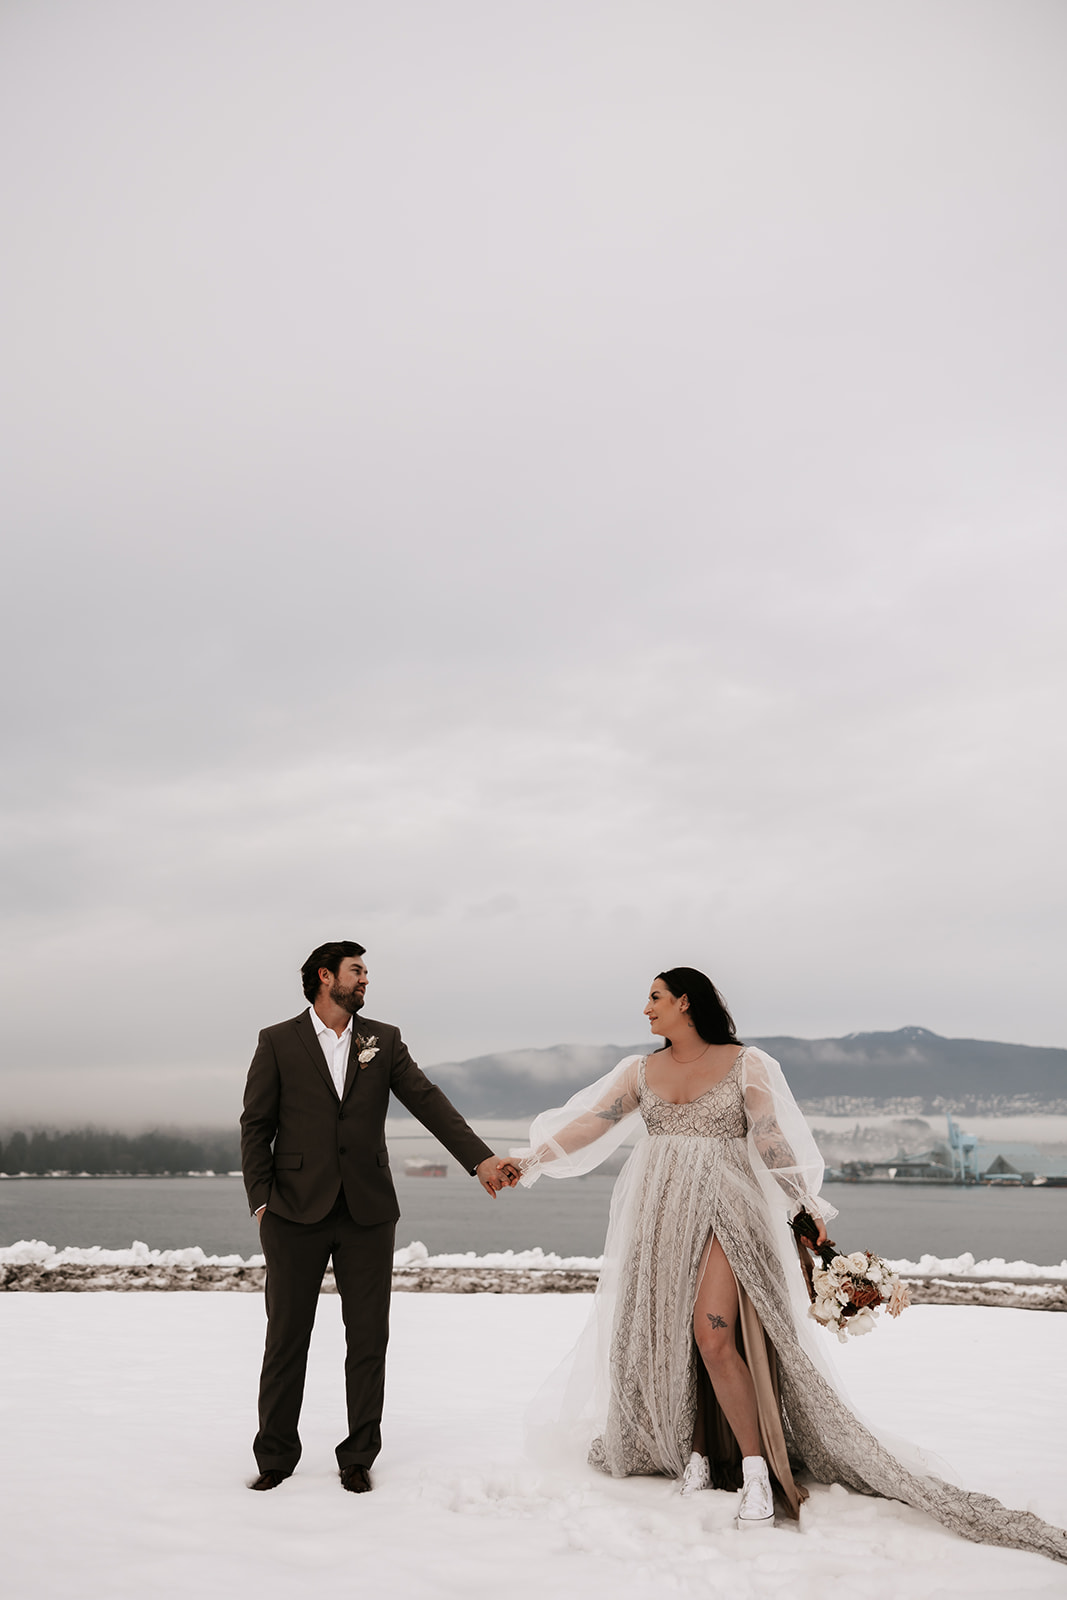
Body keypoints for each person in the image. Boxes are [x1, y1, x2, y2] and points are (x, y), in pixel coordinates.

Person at [511, 967, 1066, 1560]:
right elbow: (593, 1122)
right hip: (661, 1212)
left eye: (654, 998)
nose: (645, 1009)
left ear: (685, 1002)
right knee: (666, 1331)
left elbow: (771, 1135)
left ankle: (756, 1472)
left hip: (726, 1206)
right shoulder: (639, 1072)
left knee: (714, 1333)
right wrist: (529, 1160)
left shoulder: (744, 1063)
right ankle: (695, 1453)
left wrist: (804, 1203)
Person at [240, 939, 518, 1493]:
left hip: (367, 1211)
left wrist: (481, 1159)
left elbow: (427, 1100)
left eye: (366, 972)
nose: (365, 980)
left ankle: (358, 1455)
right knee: (286, 1337)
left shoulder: (382, 1041)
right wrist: (261, 1200)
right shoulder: (277, 1041)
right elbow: (256, 1124)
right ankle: (275, 1456)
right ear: (326, 977)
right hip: (293, 1212)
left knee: (368, 1339)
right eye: (356, 971)